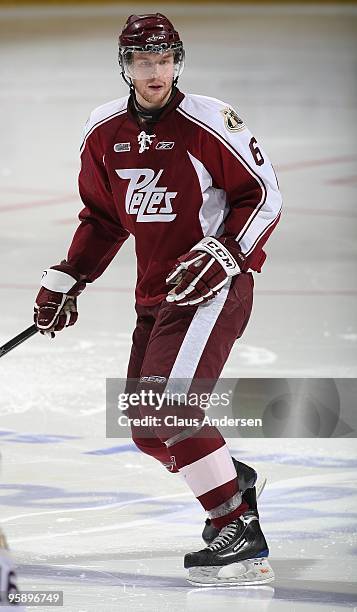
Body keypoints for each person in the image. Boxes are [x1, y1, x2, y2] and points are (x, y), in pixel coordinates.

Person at [33, 13, 282, 585]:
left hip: (212, 290)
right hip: (156, 295)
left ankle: (237, 527)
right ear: (125, 66)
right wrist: (69, 278)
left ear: (178, 61)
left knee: (173, 410)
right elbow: (102, 217)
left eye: (164, 59)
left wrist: (225, 253)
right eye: (144, 61)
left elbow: (264, 196)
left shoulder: (209, 121)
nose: (156, 72)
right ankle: (230, 478)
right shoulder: (103, 132)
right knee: (148, 427)